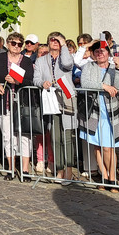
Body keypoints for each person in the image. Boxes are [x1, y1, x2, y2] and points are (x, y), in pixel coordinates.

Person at [0, 32, 35, 180]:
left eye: (20, 44)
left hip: (22, 103)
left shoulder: (26, 61)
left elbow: (30, 80)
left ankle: (25, 170)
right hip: (4, 102)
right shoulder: (0, 58)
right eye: (14, 43)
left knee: (24, 136)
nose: (17, 46)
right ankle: (11, 169)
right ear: (8, 44)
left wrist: (17, 81)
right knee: (8, 136)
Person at [79, 43, 119, 192]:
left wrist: (118, 69)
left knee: (108, 147)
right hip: (93, 111)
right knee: (97, 146)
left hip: (110, 112)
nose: (100, 54)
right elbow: (85, 82)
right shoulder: (89, 67)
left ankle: (112, 177)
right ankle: (104, 176)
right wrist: (103, 86)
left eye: (102, 51)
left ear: (108, 53)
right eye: (97, 51)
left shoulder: (113, 68)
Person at [33, 31, 77, 182]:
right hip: (51, 99)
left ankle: (69, 171)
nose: (55, 42)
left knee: (68, 137)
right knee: (55, 137)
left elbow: (67, 64)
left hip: (67, 97)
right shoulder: (41, 60)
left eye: (58, 40)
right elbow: (36, 78)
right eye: (52, 40)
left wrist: (64, 45)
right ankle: (59, 169)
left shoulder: (66, 56)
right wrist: (42, 83)